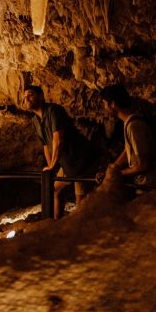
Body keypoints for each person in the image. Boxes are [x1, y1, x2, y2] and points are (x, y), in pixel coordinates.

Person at [22, 85, 99, 219]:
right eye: (24, 97)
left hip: (79, 159)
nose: (26, 98)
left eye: (30, 95)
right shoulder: (35, 120)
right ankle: (56, 224)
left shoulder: (53, 111)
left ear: (41, 96)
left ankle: (80, 229)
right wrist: (50, 167)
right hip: (66, 162)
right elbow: (46, 144)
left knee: (80, 200)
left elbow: (58, 140)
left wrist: (52, 166)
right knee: (55, 190)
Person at [97, 84, 156, 190]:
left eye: (104, 103)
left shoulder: (134, 126)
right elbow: (128, 150)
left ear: (112, 104)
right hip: (146, 183)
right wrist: (111, 170)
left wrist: (118, 174)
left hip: (150, 185)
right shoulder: (129, 122)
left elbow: (143, 165)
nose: (104, 107)